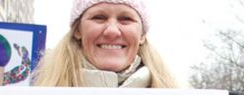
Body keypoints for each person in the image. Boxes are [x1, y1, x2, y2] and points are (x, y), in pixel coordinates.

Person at [33, 0, 178, 88]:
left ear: (142, 35)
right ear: (78, 30)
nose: (112, 31)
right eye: (99, 17)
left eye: (125, 19)